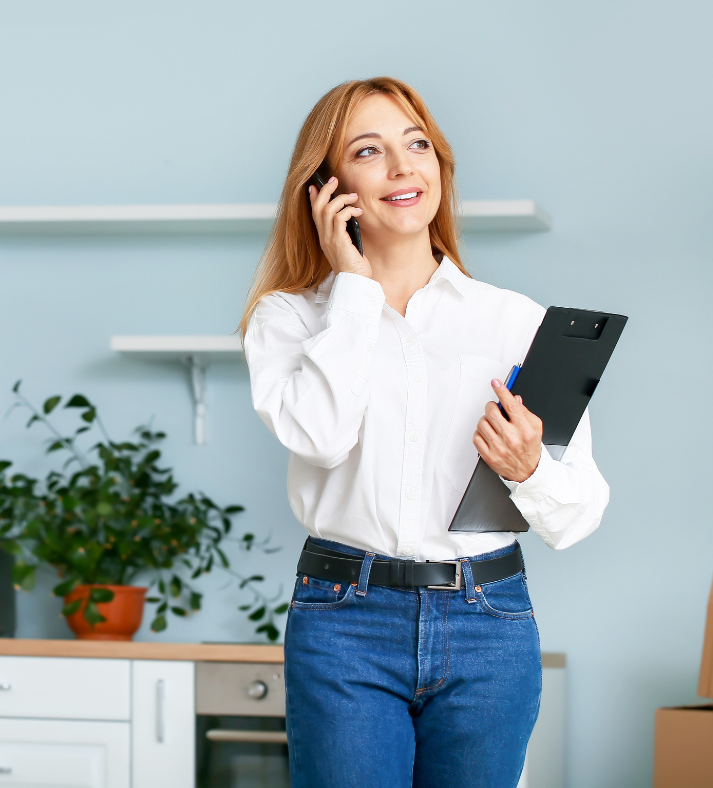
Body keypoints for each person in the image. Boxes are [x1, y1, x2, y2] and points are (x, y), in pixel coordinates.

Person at [239, 77, 609, 788]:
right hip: (346, 620)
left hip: (488, 621)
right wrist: (353, 289)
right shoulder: (287, 318)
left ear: (439, 164)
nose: (404, 167)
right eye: (369, 151)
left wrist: (530, 468)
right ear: (326, 187)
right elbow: (318, 436)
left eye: (417, 145)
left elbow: (581, 513)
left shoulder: (515, 322)